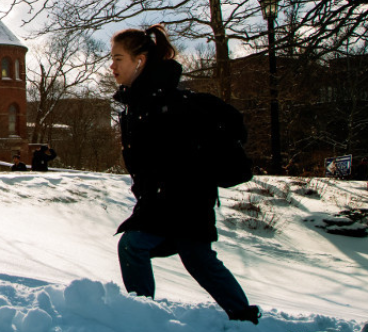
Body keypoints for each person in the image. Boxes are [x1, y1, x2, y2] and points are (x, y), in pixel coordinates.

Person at [110, 24, 259, 324]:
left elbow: (185, 156)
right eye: (111, 58)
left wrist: (166, 189)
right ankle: (241, 318)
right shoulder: (135, 106)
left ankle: (144, 318)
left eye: (118, 58)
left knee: (145, 247)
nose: (112, 65)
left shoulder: (166, 103)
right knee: (190, 256)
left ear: (139, 60)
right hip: (163, 201)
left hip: (185, 200)